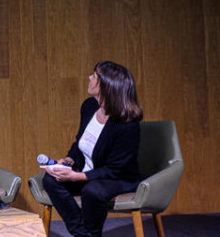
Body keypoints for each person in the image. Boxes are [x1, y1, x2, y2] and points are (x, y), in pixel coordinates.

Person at [41, 61, 143, 237]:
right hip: (90, 174)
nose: (89, 77)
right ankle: (84, 235)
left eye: (94, 75)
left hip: (119, 178)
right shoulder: (89, 107)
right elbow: (81, 143)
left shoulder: (127, 126)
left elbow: (114, 169)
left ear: (107, 86)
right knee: (50, 179)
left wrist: (77, 176)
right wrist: (69, 160)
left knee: (92, 191)